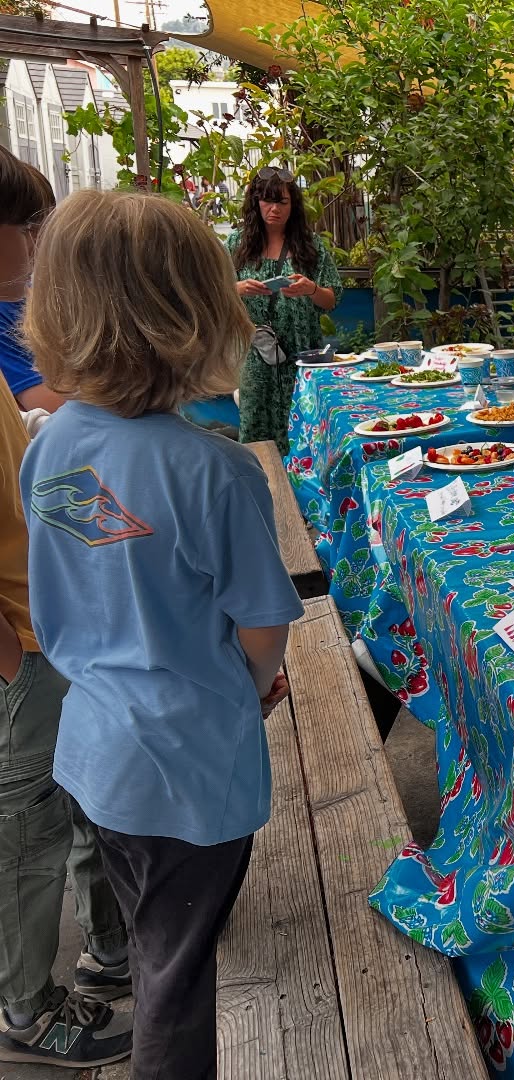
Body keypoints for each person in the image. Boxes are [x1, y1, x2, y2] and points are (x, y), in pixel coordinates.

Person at [19, 189, 305, 1077]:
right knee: (176, 989)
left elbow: (85, 569)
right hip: (191, 765)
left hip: (97, 754)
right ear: (195, 311)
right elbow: (263, 627)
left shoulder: (51, 443)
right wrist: (255, 691)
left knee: (154, 949)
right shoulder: (215, 473)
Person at [0, 152, 132, 1070]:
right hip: (20, 643)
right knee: (25, 832)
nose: (40, 245)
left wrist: (130, 545)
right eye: (30, 226)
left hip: (51, 623)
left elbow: (34, 486)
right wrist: (10, 655)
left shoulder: (14, 324)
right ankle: (24, 1005)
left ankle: (92, 960)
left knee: (67, 807)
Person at [230, 166, 341, 453]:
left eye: (282, 201)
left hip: (304, 355)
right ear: (255, 201)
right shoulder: (236, 245)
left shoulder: (310, 246)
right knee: (257, 431)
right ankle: (263, 492)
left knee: (307, 432)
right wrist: (238, 289)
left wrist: (311, 289)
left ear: (293, 205)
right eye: (267, 200)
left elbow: (331, 299)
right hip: (257, 356)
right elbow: (210, 295)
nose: (274, 208)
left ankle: (304, 495)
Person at [0, 153, 65, 413]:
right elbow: (50, 407)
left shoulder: (34, 297)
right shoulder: (5, 314)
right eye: (27, 228)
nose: (37, 243)